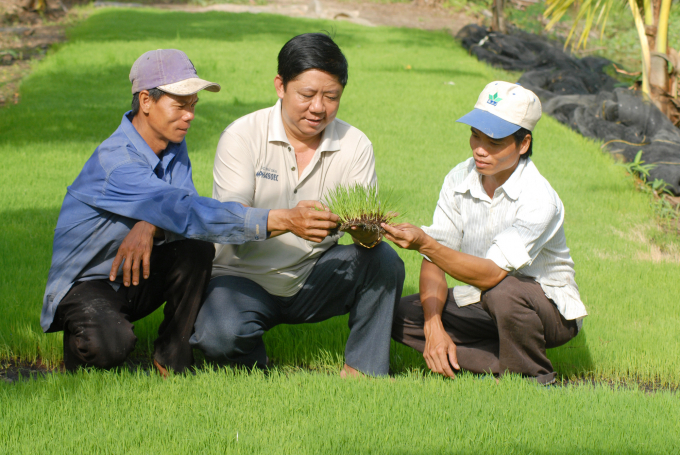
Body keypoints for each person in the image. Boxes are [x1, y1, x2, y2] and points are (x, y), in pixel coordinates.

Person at [42, 49, 339, 375]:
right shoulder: (117, 163)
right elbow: (185, 211)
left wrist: (149, 224)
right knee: (110, 347)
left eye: (193, 105)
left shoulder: (171, 143)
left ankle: (172, 358)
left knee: (195, 248)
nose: (190, 115)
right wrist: (281, 219)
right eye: (180, 104)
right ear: (145, 101)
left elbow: (177, 207)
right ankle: (82, 344)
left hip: (134, 272)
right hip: (90, 283)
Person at [189, 33, 405, 377]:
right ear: (280, 86)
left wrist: (370, 229)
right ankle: (253, 364)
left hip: (314, 274)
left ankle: (363, 370)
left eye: (331, 97)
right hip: (243, 277)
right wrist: (287, 220)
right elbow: (228, 220)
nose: (318, 107)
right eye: (307, 95)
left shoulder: (355, 144)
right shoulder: (243, 135)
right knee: (219, 337)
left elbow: (366, 241)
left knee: (383, 262)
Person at [384, 81, 587, 384]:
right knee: (396, 313)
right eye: (475, 136)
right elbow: (435, 258)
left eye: (494, 142)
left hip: (546, 310)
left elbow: (492, 275)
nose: (480, 149)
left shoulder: (539, 198)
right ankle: (501, 365)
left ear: (523, 144)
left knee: (504, 290)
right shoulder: (459, 177)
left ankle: (534, 378)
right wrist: (433, 325)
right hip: (482, 298)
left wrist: (424, 242)